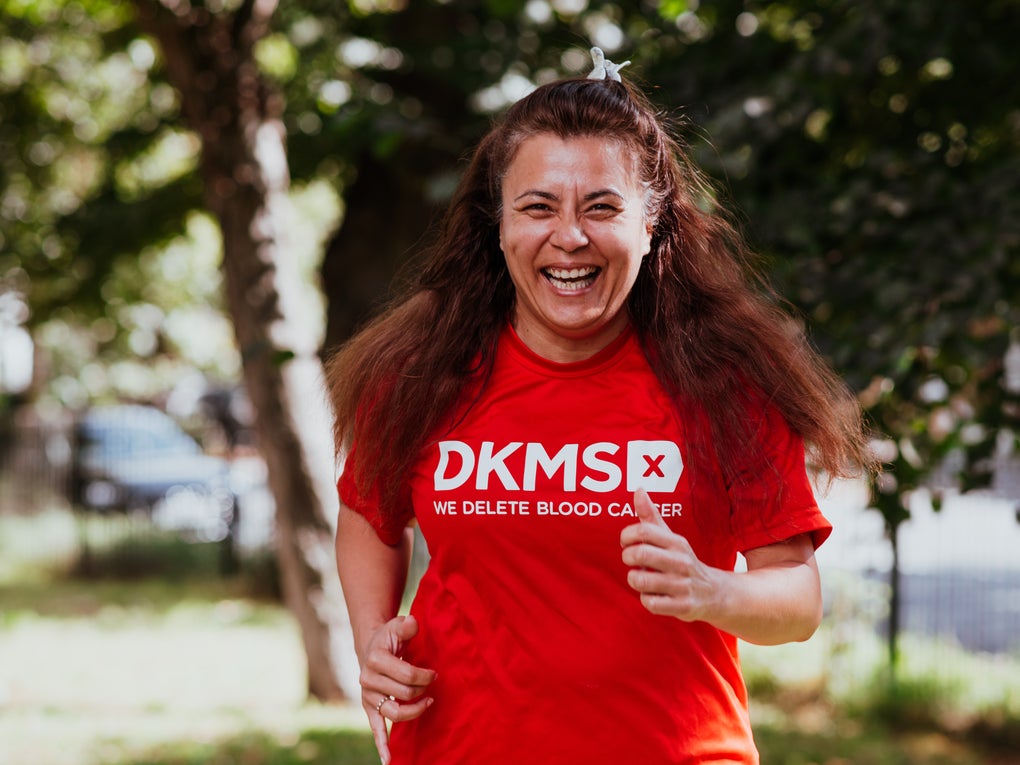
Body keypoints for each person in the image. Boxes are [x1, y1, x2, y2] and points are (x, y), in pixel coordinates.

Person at [326, 47, 871, 765]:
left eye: (602, 207)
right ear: (500, 225)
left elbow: (797, 600)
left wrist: (711, 588)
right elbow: (369, 513)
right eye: (538, 206)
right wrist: (373, 636)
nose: (570, 236)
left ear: (651, 225)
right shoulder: (423, 375)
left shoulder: (724, 387)